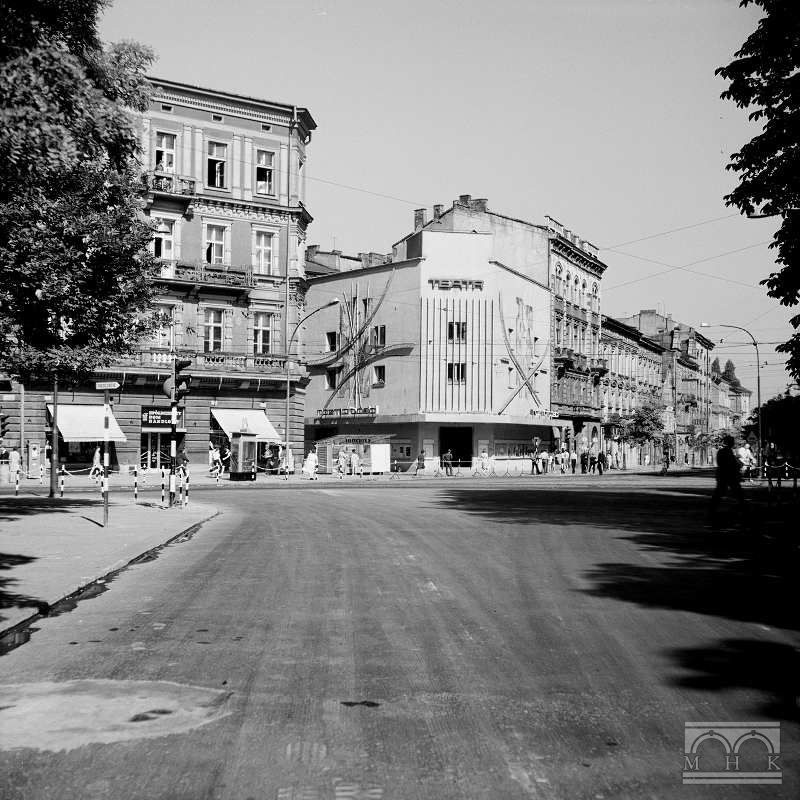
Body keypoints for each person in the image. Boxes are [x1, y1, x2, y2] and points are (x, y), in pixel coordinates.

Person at [710, 434, 746, 525]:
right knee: (732, 492)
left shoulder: (725, 451)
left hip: (725, 475)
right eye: (732, 442)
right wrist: (737, 465)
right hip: (727, 476)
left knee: (721, 493)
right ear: (729, 443)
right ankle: (743, 509)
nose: (733, 443)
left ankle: (712, 510)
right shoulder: (726, 452)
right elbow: (729, 464)